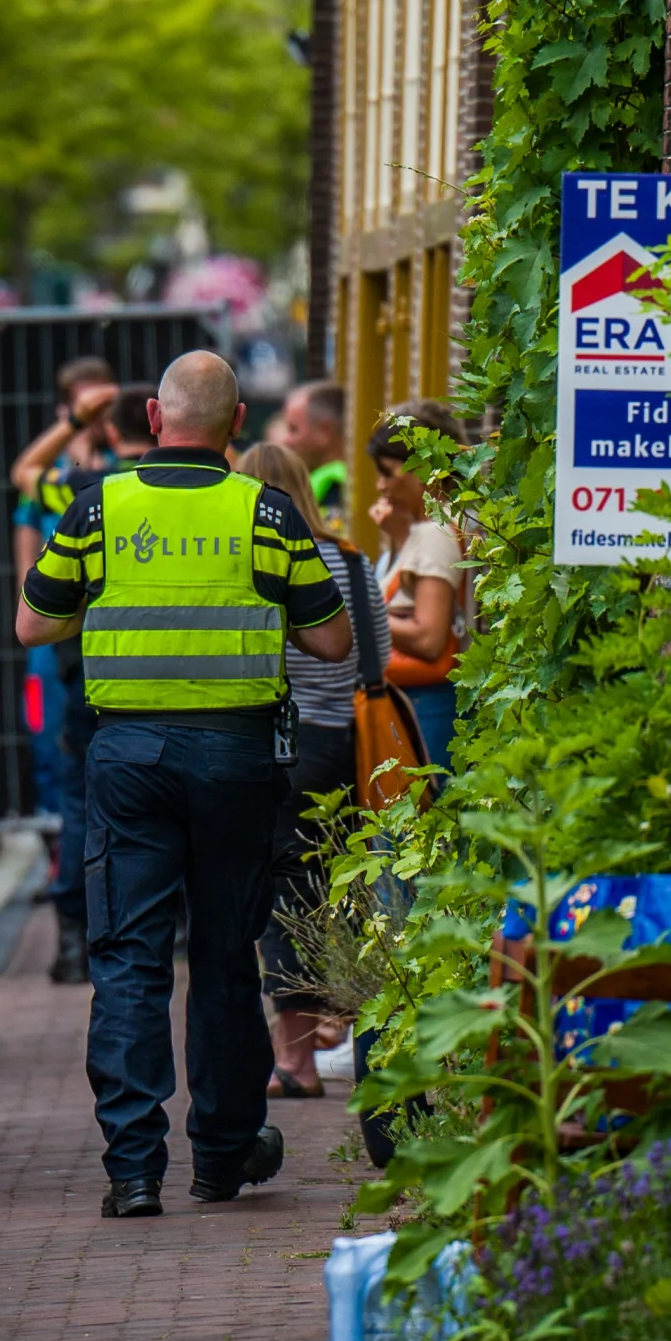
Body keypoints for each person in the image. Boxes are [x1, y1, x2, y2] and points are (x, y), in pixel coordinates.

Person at [17, 350, 352, 1218]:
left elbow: (31, 621)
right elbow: (331, 643)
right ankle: (224, 1151)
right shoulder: (268, 511)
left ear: (155, 421)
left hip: (127, 757)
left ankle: (133, 1170)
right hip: (237, 758)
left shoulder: (99, 508)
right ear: (238, 424)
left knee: (128, 957)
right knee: (223, 955)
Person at [234, 437, 380, 1098]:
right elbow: (374, 654)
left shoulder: (257, 561)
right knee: (338, 892)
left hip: (282, 745)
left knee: (285, 902)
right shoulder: (353, 561)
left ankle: (292, 1059)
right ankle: (342, 1025)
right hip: (347, 746)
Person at [11, 356, 123, 984]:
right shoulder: (66, 480)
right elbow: (24, 494)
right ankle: (74, 929)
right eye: (86, 408)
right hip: (63, 647)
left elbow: (21, 472)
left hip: (88, 648)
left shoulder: (112, 476)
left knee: (89, 789)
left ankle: (80, 929)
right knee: (67, 778)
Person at [369, 398, 468, 772]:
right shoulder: (436, 528)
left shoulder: (435, 533)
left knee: (408, 823)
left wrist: (362, 612)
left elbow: (428, 637)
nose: (380, 486)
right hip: (419, 707)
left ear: (420, 470)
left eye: (387, 472)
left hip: (423, 709)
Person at [278, 378, 354, 527]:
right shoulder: (354, 480)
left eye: (293, 429)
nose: (286, 440)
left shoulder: (332, 489)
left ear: (324, 431)